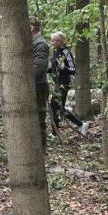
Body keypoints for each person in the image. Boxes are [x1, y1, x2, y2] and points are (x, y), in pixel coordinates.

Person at [49, 32, 89, 137]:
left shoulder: (66, 52)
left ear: (62, 41)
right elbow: (53, 67)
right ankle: (80, 124)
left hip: (64, 84)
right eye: (52, 40)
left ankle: (55, 132)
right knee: (59, 108)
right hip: (57, 83)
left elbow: (73, 70)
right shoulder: (56, 51)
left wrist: (63, 68)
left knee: (55, 106)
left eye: (56, 40)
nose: (54, 42)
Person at [30, 17, 51, 148]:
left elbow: (38, 67)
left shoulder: (40, 44)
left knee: (39, 118)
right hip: (32, 85)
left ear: (32, 27)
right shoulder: (31, 42)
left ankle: (41, 149)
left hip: (39, 86)